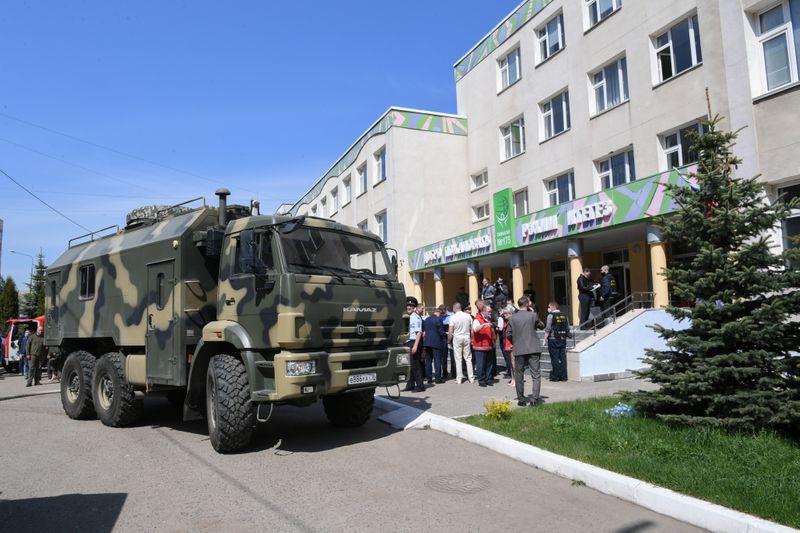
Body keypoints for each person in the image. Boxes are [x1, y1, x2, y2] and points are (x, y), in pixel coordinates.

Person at [506, 297, 545, 406]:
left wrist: (515, 341)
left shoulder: (513, 318)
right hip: (533, 348)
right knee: (536, 374)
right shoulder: (532, 315)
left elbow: (508, 334)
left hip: (519, 349)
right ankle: (535, 399)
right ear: (527, 304)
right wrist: (534, 315)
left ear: (518, 305)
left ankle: (521, 399)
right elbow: (542, 326)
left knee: (519, 374)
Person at [544, 301, 571, 382]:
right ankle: (564, 377)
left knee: (554, 358)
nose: (548, 308)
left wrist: (545, 338)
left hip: (553, 339)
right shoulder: (564, 315)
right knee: (563, 358)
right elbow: (567, 327)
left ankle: (555, 377)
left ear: (553, 307)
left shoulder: (550, 316)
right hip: (562, 338)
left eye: (549, 307)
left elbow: (548, 328)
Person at [447, 302, 474, 384]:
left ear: (455, 308)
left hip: (457, 338)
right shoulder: (468, 316)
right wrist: (472, 339)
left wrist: (449, 341)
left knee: (458, 359)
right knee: (468, 358)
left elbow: (450, 331)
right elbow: (471, 330)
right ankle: (471, 378)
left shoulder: (452, 317)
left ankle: (459, 379)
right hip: (466, 337)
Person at [403, 296, 425, 393]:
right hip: (407, 342)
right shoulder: (407, 316)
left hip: (413, 342)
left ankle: (420, 386)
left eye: (411, 306)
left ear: (414, 307)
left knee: (415, 365)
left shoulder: (415, 317)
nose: (409, 307)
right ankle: (410, 384)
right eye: (408, 305)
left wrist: (415, 345)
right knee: (409, 365)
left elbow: (419, 333)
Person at [423, 305, 447, 384]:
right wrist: (446, 334)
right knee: (437, 360)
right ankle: (438, 379)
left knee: (428, 361)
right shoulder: (438, 320)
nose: (442, 316)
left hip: (427, 342)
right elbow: (441, 332)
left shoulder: (427, 319)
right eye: (442, 314)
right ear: (440, 312)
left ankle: (429, 378)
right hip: (436, 343)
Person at [472, 303, 495, 387]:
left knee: (489, 363)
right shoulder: (477, 319)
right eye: (489, 311)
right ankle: (481, 380)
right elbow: (475, 329)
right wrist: (484, 325)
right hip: (480, 346)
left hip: (488, 345)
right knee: (481, 364)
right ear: (484, 311)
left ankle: (488, 379)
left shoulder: (488, 319)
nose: (490, 313)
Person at [498, 305, 515, 383]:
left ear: (511, 313)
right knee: (510, 363)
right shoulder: (506, 321)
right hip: (507, 343)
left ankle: (515, 380)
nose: (504, 315)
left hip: (512, 344)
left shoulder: (513, 321)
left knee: (513, 363)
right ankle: (513, 379)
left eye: (506, 313)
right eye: (504, 313)